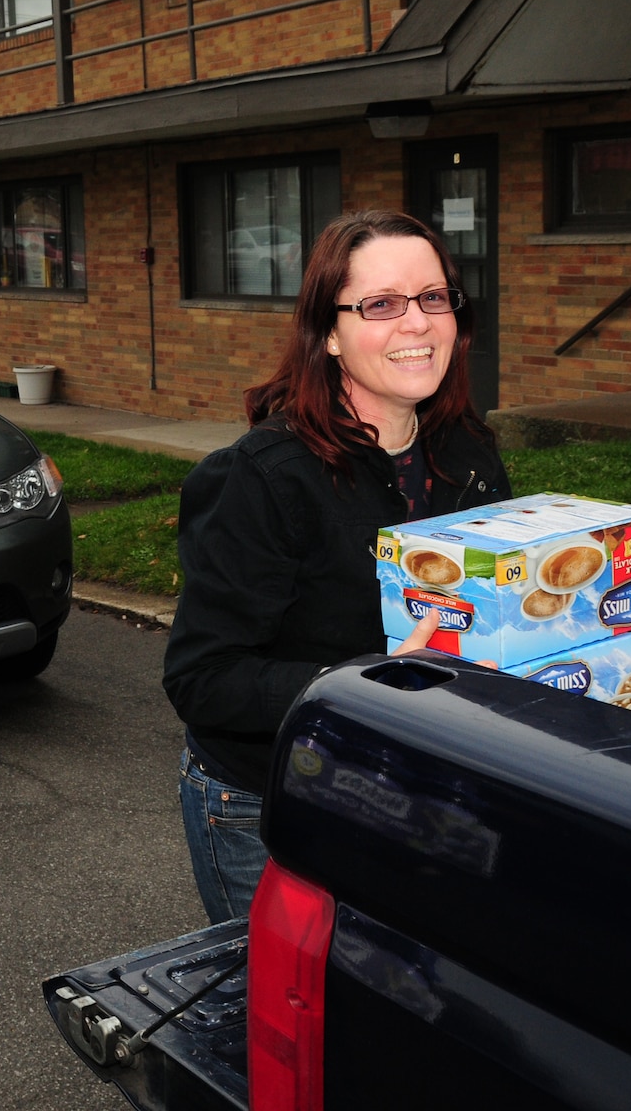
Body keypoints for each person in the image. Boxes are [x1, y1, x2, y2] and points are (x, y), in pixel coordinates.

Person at [161, 210, 511, 923]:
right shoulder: (263, 477)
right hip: (273, 796)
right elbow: (205, 679)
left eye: (433, 297)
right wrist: (375, 684)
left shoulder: (469, 452)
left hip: (416, 777)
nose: (416, 323)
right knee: (286, 1013)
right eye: (380, 305)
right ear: (328, 331)